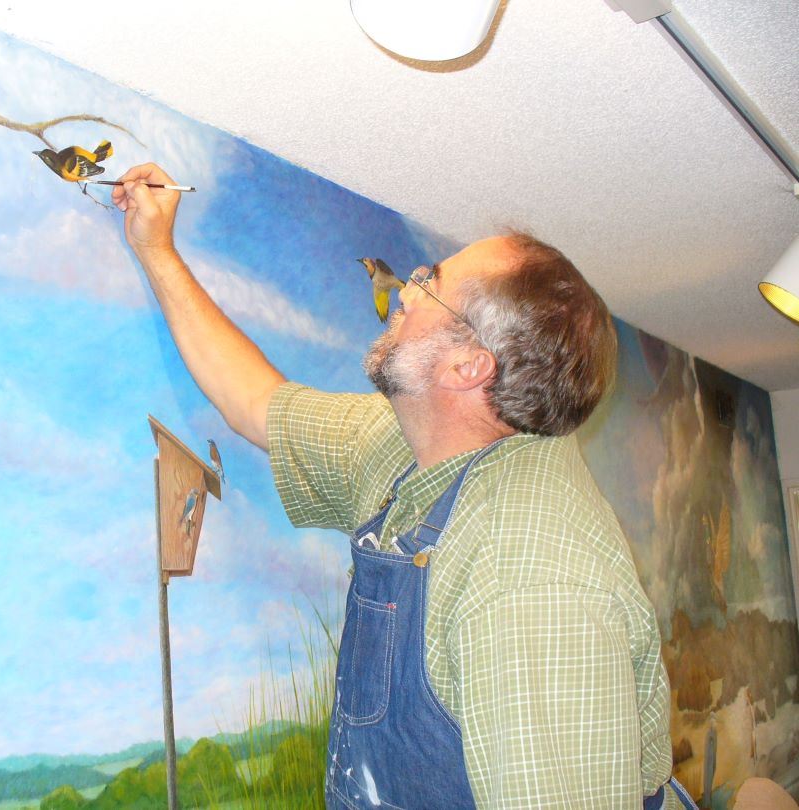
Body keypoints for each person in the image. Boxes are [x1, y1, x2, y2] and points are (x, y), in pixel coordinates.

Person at [110, 164, 697, 809]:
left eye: (431, 283)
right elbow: (258, 404)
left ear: (468, 365)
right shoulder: (410, 447)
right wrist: (157, 250)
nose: (407, 287)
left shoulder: (528, 579)